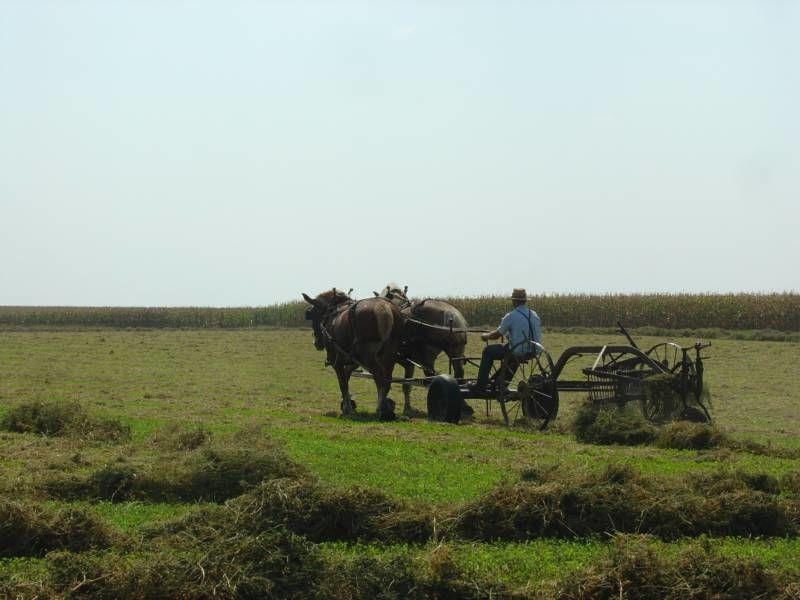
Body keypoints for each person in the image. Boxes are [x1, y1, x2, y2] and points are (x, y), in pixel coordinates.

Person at [474, 288, 542, 391]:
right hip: (534, 350)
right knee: (512, 355)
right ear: (525, 301)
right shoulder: (534, 315)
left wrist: (486, 336)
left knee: (488, 351)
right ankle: (501, 381)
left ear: (514, 301)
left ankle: (481, 384)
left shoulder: (511, 316)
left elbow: (497, 334)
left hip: (517, 350)